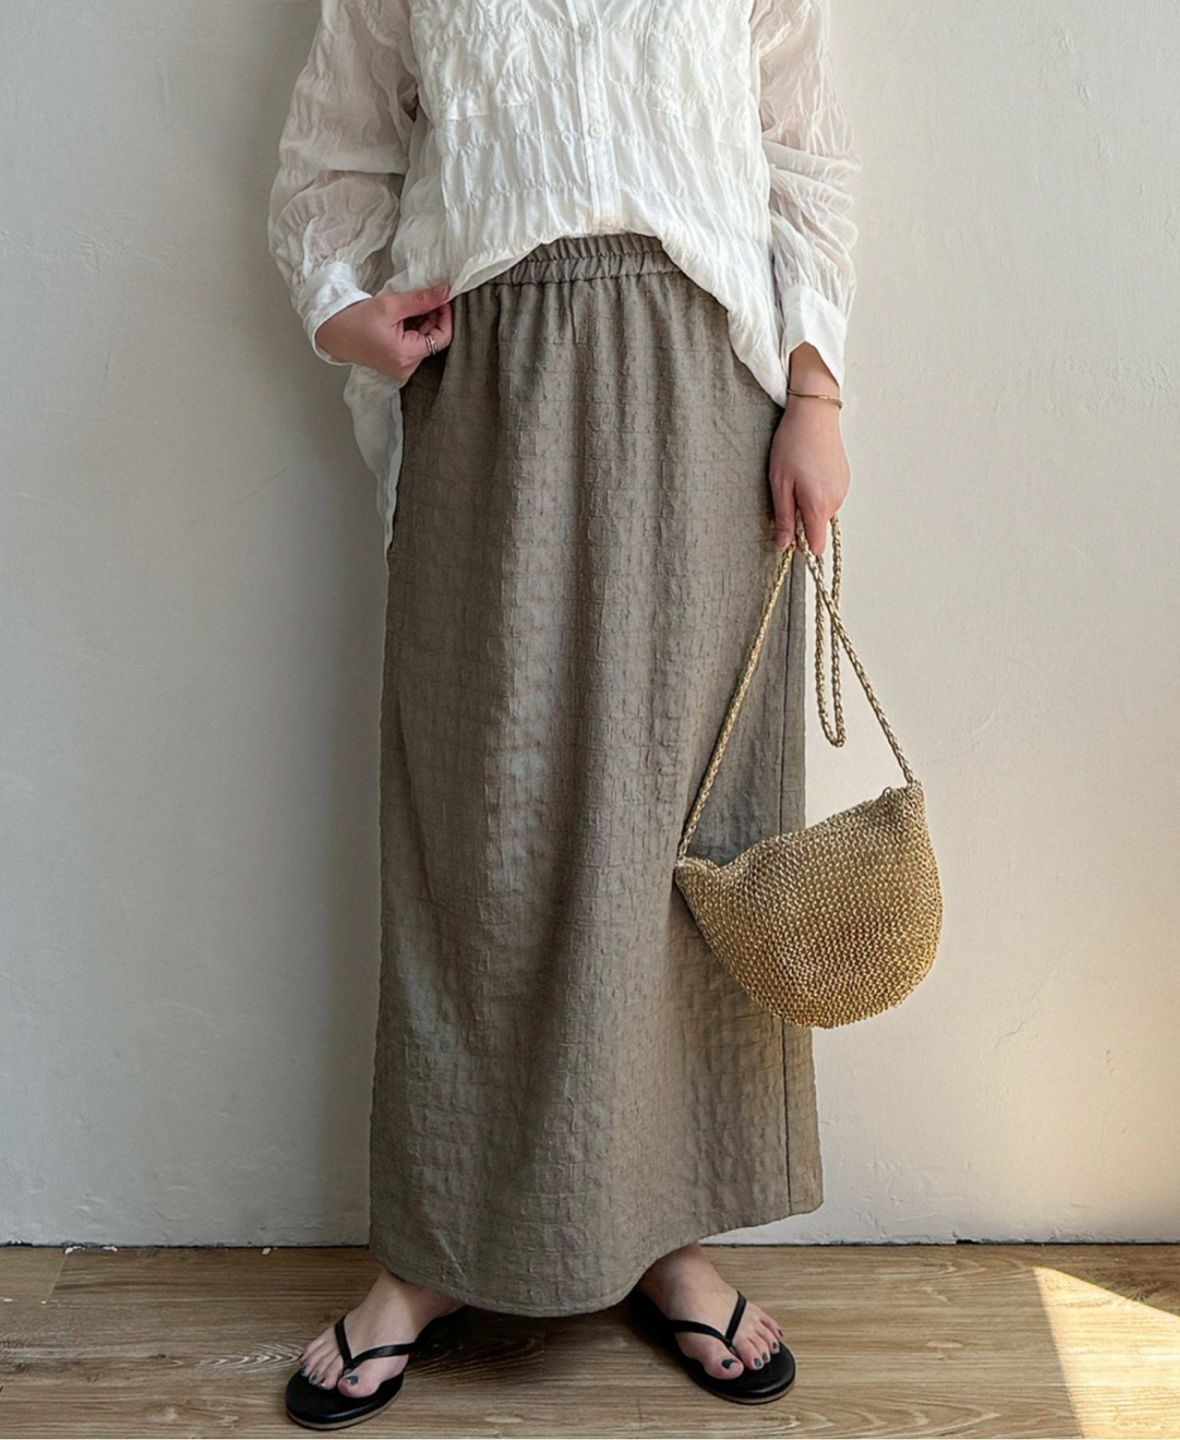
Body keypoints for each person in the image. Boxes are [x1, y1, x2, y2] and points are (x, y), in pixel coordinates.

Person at [267, 0, 859, 1426]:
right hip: (492, 389)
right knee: (479, 829)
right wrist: (342, 310)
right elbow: (332, 155)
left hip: (707, 396)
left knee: (681, 829)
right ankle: (435, 1248)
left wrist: (817, 391)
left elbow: (806, 155)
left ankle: (663, 1230)